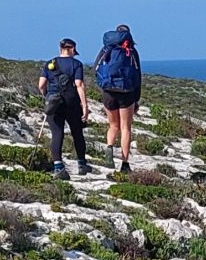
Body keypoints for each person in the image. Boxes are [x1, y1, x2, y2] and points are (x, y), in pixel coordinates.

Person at [37, 36, 92, 178]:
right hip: (71, 102)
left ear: (60, 49)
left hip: (53, 103)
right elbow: (79, 85)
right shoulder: (76, 64)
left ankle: (58, 167)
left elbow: (41, 85)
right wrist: (85, 106)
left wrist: (47, 97)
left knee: (57, 134)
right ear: (72, 49)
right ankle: (81, 164)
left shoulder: (50, 63)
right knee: (77, 133)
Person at [94, 23, 143, 174]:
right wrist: (136, 99)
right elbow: (137, 76)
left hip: (108, 91)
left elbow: (96, 67)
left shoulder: (106, 49)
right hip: (126, 92)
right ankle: (125, 163)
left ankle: (109, 148)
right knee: (125, 128)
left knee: (113, 126)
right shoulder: (132, 51)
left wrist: (103, 86)